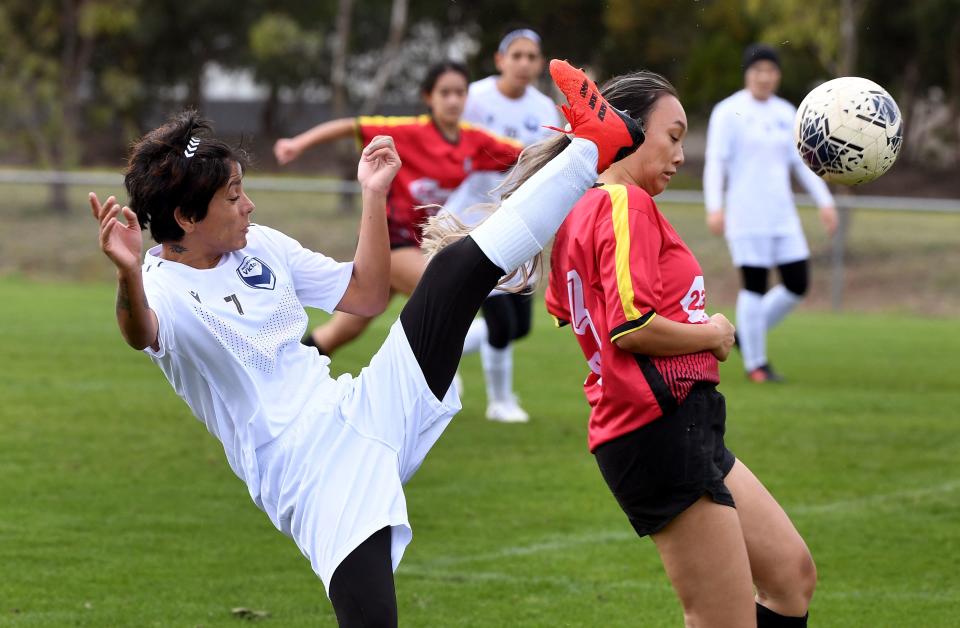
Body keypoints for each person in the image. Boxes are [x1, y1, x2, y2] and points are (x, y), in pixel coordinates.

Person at [90, 59, 644, 626]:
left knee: (452, 270)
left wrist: (373, 197)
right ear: (185, 217)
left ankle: (590, 149)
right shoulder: (159, 286)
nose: (249, 206)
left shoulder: (262, 245)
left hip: (358, 406)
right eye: (233, 197)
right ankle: (592, 148)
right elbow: (142, 333)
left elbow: (366, 293)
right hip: (304, 471)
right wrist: (128, 274)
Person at [544, 70, 816, 627]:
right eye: (673, 135)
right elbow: (631, 326)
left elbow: (569, 308)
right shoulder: (624, 204)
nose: (680, 154)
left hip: (681, 423)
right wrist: (711, 334)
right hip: (653, 427)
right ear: (628, 132)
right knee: (723, 619)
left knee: (791, 577)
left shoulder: (587, 206)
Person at [273, 61, 523, 359]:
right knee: (444, 292)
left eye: (460, 92)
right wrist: (297, 144)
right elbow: (350, 126)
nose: (454, 100)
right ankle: (432, 380)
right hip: (388, 241)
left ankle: (283, 368)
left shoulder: (474, 140)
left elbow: (527, 153)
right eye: (445, 92)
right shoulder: (408, 132)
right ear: (428, 97)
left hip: (419, 245)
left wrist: (577, 145)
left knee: (341, 332)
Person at [444, 27, 560, 423]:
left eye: (532, 56)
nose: (524, 63)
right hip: (471, 218)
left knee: (519, 326)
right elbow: (446, 137)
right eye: (517, 55)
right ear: (500, 60)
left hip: (520, 222)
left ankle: (447, 348)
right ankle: (500, 401)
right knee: (500, 320)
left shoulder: (545, 108)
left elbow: (549, 163)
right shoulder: (474, 97)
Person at [703, 43, 837, 383]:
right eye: (758, 70)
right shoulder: (727, 111)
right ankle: (757, 365)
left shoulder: (787, 112)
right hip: (746, 216)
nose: (764, 77)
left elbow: (804, 164)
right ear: (747, 73)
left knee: (797, 283)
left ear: (778, 75)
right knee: (755, 286)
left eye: (771, 70)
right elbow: (716, 163)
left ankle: (747, 334)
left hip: (783, 216)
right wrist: (714, 206)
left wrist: (825, 201)